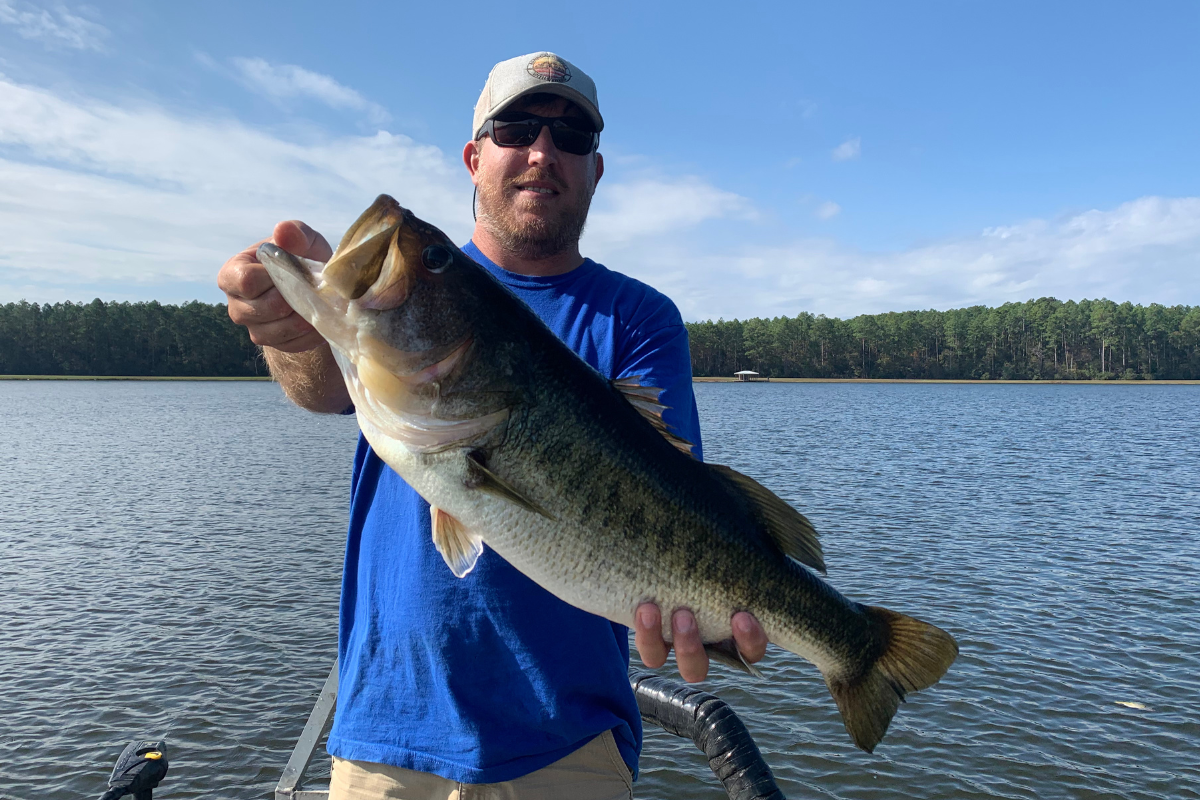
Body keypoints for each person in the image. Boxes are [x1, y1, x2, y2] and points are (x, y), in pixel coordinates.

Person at [218, 52, 767, 800]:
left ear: (594, 172)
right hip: (384, 735)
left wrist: (706, 613)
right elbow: (322, 387)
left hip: (566, 746)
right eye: (516, 129)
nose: (543, 152)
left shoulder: (637, 319)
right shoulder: (397, 333)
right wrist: (291, 337)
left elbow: (679, 498)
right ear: (475, 158)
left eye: (570, 138)